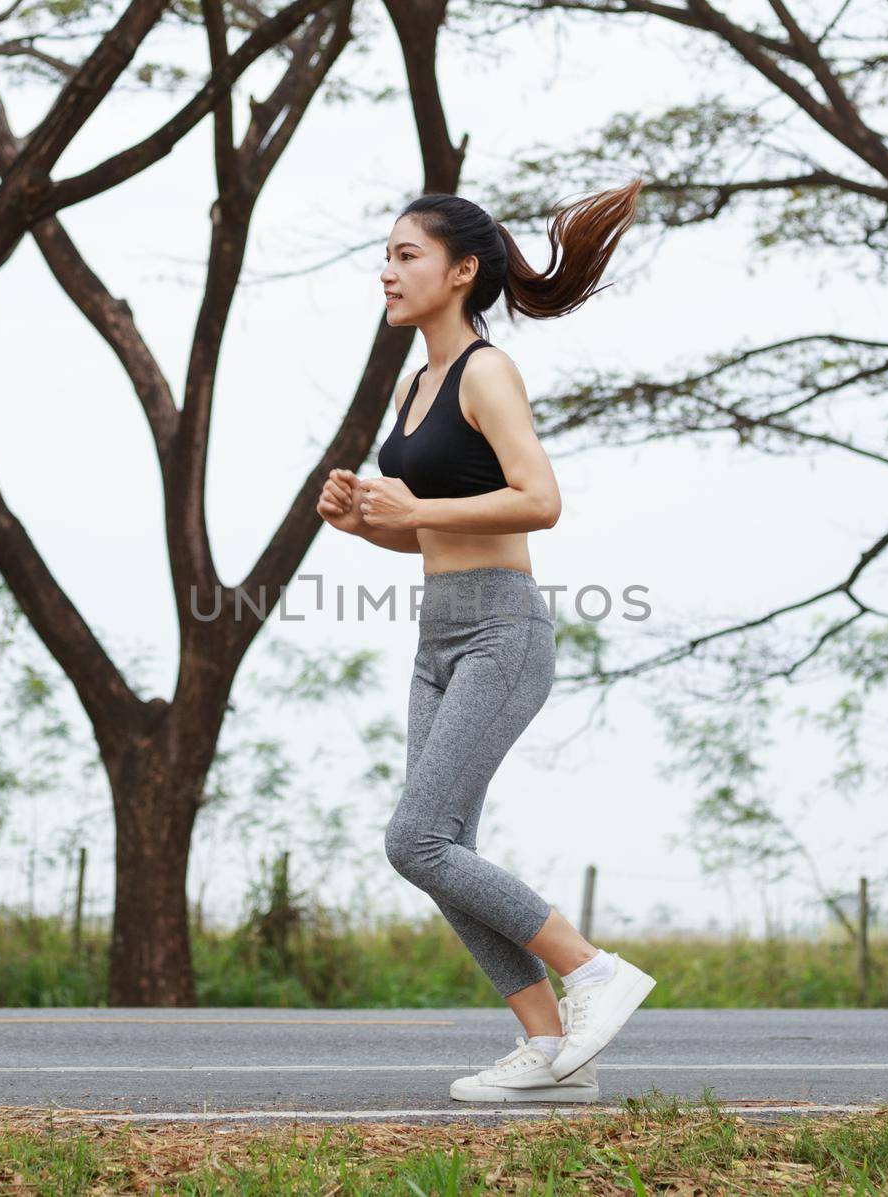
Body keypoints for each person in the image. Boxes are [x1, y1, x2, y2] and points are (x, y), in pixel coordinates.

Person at [314, 183, 657, 1103]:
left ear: (462, 271)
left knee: (416, 839)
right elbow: (425, 533)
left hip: (502, 629)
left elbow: (538, 500)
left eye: (407, 255)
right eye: (384, 255)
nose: (387, 270)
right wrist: (362, 525)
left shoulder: (486, 371)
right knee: (441, 850)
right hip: (438, 632)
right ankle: (552, 1052)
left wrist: (416, 506)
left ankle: (593, 973)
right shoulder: (415, 382)